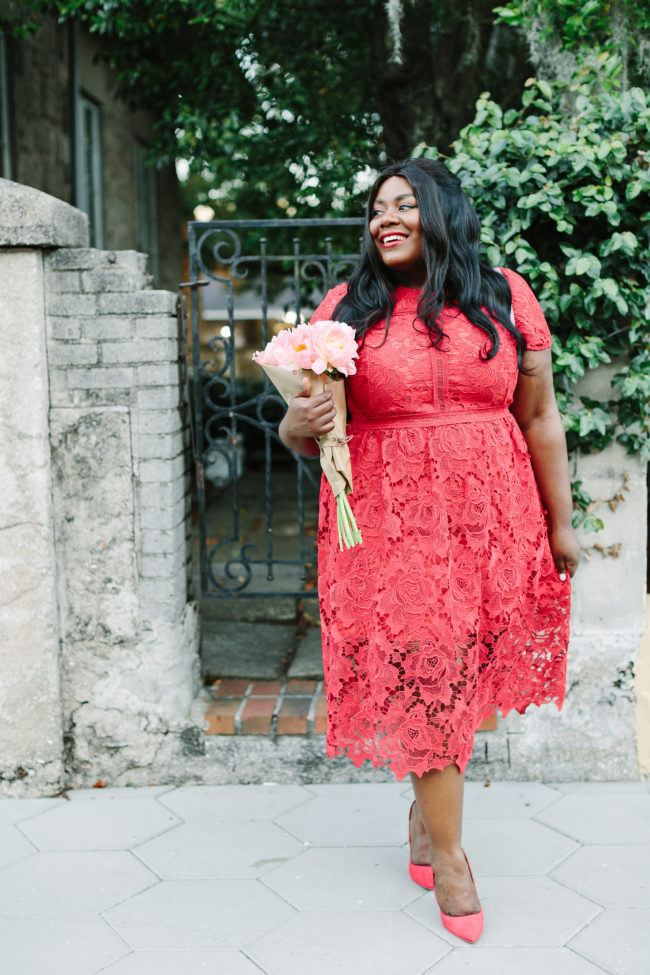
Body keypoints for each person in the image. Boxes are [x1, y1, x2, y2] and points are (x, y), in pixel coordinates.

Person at [278, 158, 581, 943]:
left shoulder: (506, 297)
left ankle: (423, 812)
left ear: (441, 211)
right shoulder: (345, 312)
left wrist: (562, 522)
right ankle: (451, 854)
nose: (387, 217)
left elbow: (540, 416)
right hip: (393, 527)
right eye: (377, 207)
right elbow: (307, 433)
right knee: (431, 674)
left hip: (494, 519)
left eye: (405, 203)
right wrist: (296, 423)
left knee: (466, 675)